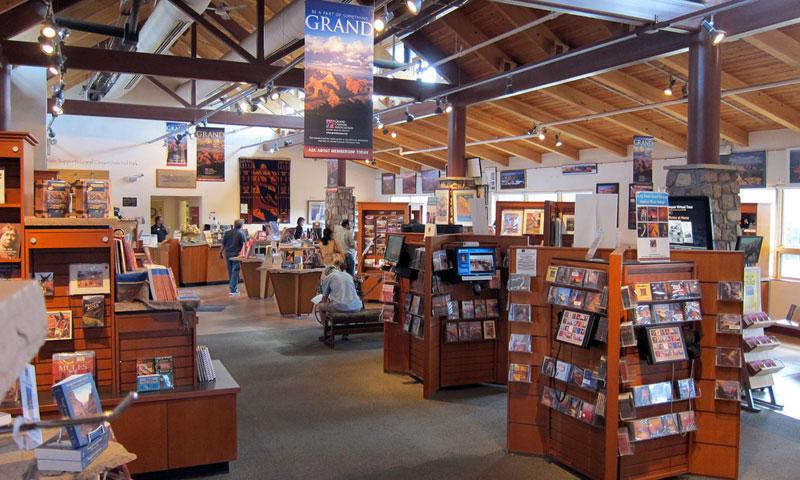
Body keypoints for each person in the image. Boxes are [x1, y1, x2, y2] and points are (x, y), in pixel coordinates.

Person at [220, 219, 247, 296]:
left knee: (230, 271)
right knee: (235, 271)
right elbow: (245, 245)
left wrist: (220, 252)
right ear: (241, 226)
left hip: (228, 254)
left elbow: (223, 244)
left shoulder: (227, 233)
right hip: (237, 255)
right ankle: (233, 289)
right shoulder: (241, 233)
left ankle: (233, 288)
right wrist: (245, 254)